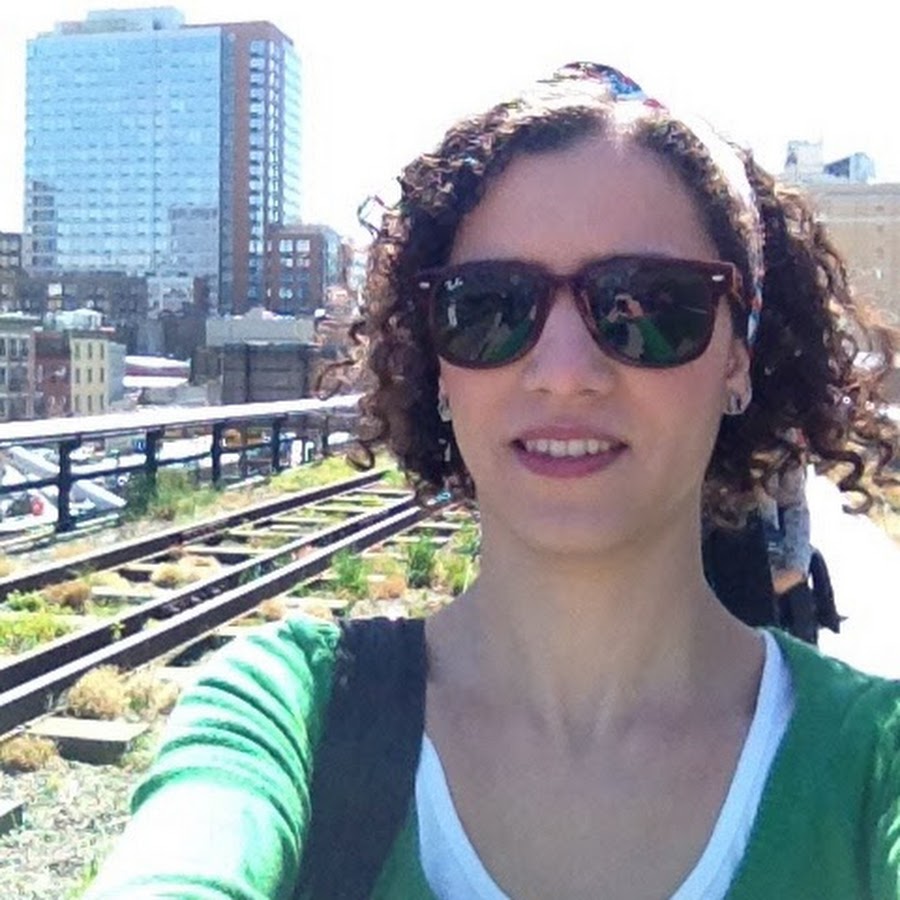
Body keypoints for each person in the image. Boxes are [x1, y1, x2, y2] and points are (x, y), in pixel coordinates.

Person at [87, 63, 900, 899]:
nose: (564, 372)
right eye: (489, 307)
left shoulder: (877, 760)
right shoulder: (290, 713)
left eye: (648, 304)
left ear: (738, 353)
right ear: (437, 364)